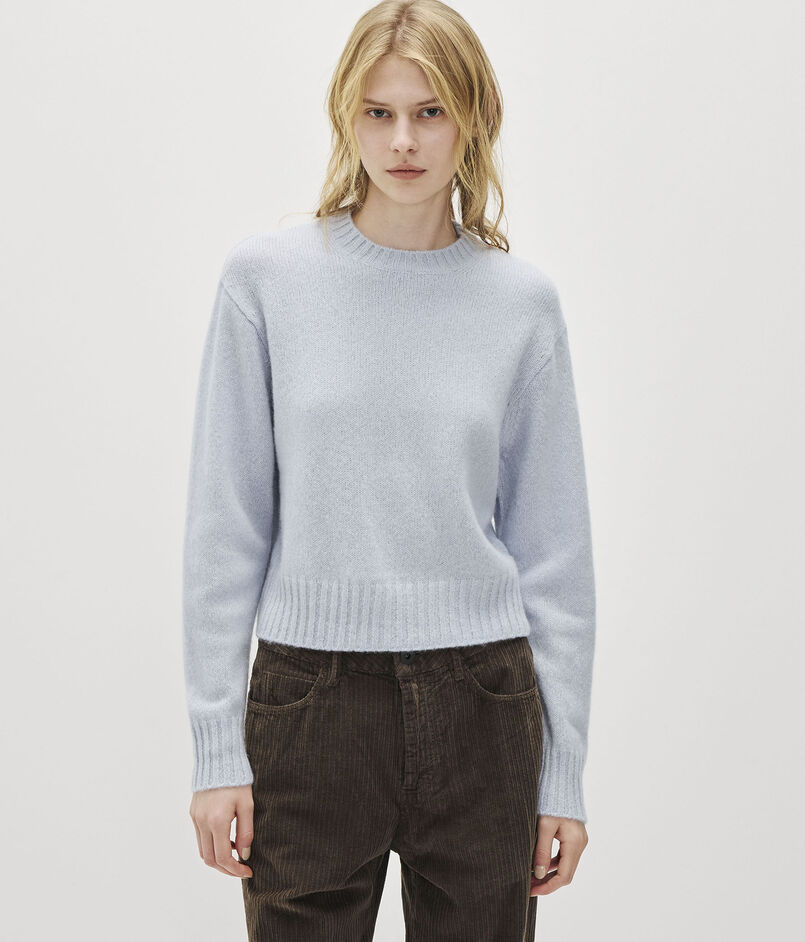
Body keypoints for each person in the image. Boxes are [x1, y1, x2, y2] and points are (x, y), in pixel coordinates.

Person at [182, 1, 596, 938]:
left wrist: (562, 775)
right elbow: (225, 529)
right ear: (347, 117)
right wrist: (215, 751)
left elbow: (554, 556)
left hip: (486, 704)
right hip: (308, 704)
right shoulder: (266, 282)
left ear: (473, 118)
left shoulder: (521, 305)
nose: (402, 140)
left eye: (429, 111)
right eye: (379, 113)